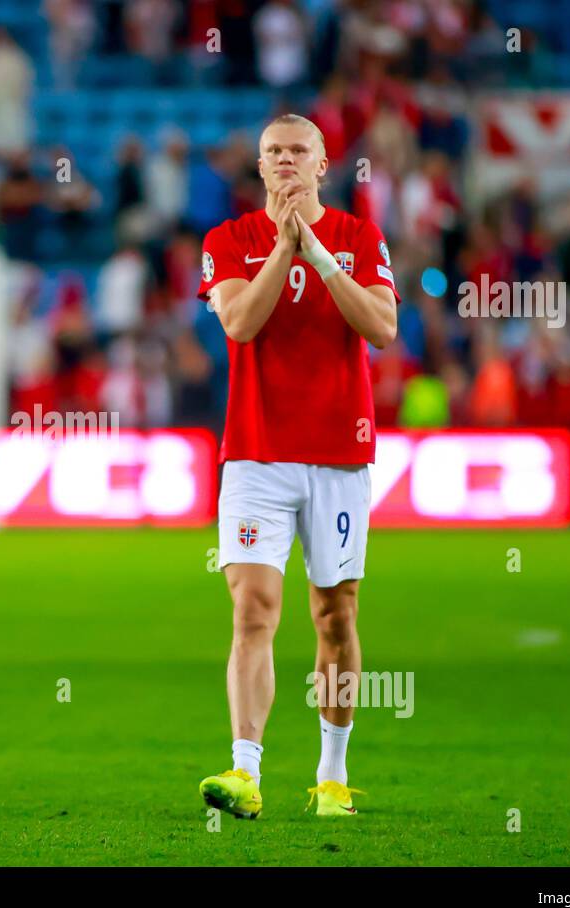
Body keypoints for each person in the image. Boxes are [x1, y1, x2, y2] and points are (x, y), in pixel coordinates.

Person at [195, 115, 399, 819]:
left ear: (323, 164)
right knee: (253, 609)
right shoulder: (228, 242)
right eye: (273, 152)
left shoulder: (359, 237)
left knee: (334, 615)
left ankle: (332, 775)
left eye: (297, 151)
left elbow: (381, 327)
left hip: (339, 457)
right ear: (259, 167)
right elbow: (240, 324)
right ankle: (244, 770)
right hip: (255, 454)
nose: (285, 161)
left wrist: (314, 249)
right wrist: (285, 249)